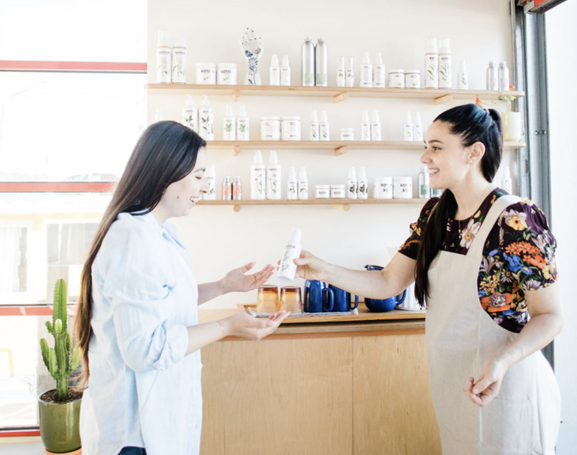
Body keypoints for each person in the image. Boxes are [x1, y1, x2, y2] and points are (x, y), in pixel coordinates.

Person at [296, 103, 562, 455]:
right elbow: (388, 283)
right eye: (426, 146)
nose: (425, 157)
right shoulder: (436, 215)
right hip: (456, 390)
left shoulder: (515, 219)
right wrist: (322, 269)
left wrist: (502, 361)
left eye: (436, 147)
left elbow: (550, 316)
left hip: (510, 387)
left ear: (474, 153)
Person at [74, 121, 288, 455]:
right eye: (199, 176)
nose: (205, 187)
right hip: (134, 435)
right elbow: (144, 349)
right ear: (167, 172)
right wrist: (226, 326)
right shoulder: (134, 239)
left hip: (156, 420)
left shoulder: (158, 232)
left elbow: (163, 301)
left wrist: (223, 286)